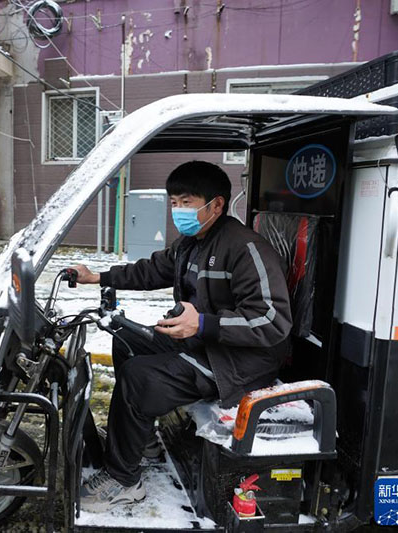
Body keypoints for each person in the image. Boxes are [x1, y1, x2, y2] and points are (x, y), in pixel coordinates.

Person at [72, 161, 293, 513]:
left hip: (237, 361)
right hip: (202, 342)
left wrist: (204, 324)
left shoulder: (246, 249)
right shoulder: (191, 241)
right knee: (125, 339)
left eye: (186, 201)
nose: (178, 210)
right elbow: (153, 269)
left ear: (216, 204)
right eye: (173, 201)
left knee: (139, 378)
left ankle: (124, 480)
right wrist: (97, 276)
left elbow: (272, 320)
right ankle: (142, 440)